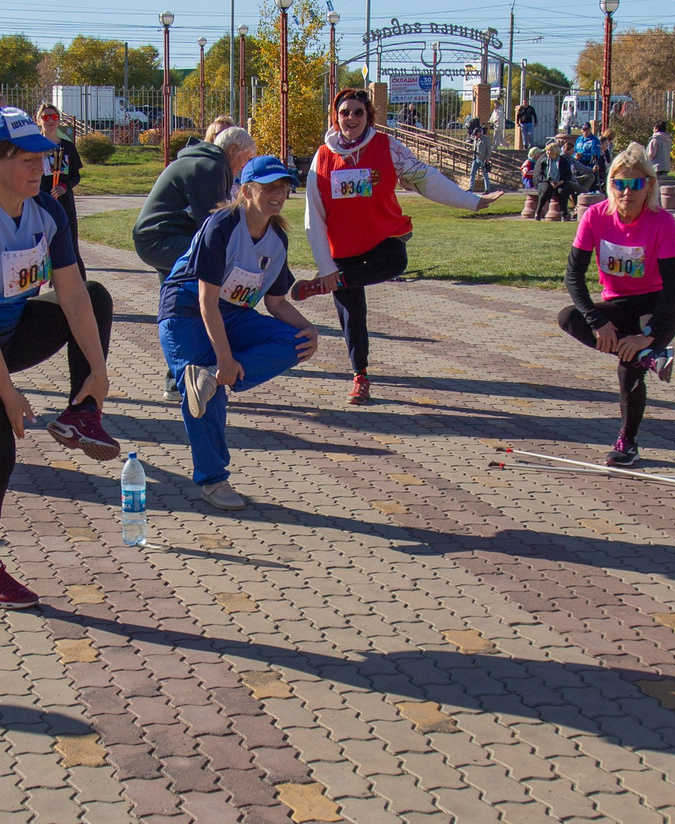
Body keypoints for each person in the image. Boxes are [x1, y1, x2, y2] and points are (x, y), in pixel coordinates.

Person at [0, 107, 119, 609]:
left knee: (96, 296)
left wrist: (97, 372)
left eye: (43, 158)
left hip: (7, 334)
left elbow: (72, 296)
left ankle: (80, 414)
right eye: (25, 158)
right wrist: (8, 393)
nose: (39, 167)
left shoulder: (46, 210)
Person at [304, 86, 491, 404]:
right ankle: (359, 376)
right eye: (345, 112)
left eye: (358, 112)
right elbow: (314, 217)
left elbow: (426, 179)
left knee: (397, 259)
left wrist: (473, 201)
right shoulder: (322, 158)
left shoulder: (388, 148)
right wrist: (326, 269)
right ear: (336, 118)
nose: (351, 117)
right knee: (353, 317)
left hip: (381, 238)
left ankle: (336, 282)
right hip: (343, 248)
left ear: (368, 116)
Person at [157, 156, 318, 511]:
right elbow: (205, 301)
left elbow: (276, 303)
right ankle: (213, 480)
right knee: (202, 394)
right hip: (185, 312)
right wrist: (224, 359)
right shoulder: (223, 226)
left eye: (284, 187)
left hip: (232, 313)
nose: (279, 194)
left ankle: (213, 378)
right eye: (269, 187)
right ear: (246, 191)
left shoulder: (277, 239)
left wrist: (309, 328)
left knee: (296, 341)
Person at [559, 145, 675, 467]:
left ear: (650, 187)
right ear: (610, 184)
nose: (627, 193)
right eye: (620, 184)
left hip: (659, 305)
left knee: (628, 370)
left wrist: (650, 333)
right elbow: (573, 276)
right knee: (568, 317)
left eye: (636, 185)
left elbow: (673, 289)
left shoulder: (663, 222)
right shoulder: (595, 217)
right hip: (618, 303)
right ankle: (650, 357)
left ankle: (627, 442)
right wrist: (597, 322)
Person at [133, 121, 254, 273]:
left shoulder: (201, 162)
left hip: (156, 236)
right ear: (233, 149)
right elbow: (214, 224)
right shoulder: (209, 168)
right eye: (246, 158)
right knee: (217, 254)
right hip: (161, 239)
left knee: (174, 292)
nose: (245, 165)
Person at [36, 102, 85, 246]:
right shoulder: (34, 147)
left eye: (54, 117)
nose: (51, 120)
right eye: (46, 118)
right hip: (40, 204)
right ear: (39, 120)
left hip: (65, 206)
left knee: (70, 247)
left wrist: (64, 186)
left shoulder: (67, 146)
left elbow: (75, 176)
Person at [466, 117, 496, 189]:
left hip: (483, 159)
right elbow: (475, 147)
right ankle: (471, 188)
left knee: (485, 175)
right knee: (472, 174)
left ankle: (487, 189)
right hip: (476, 158)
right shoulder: (476, 139)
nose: (475, 136)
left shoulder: (485, 139)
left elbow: (489, 149)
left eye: (476, 134)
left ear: (479, 132)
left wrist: (487, 158)